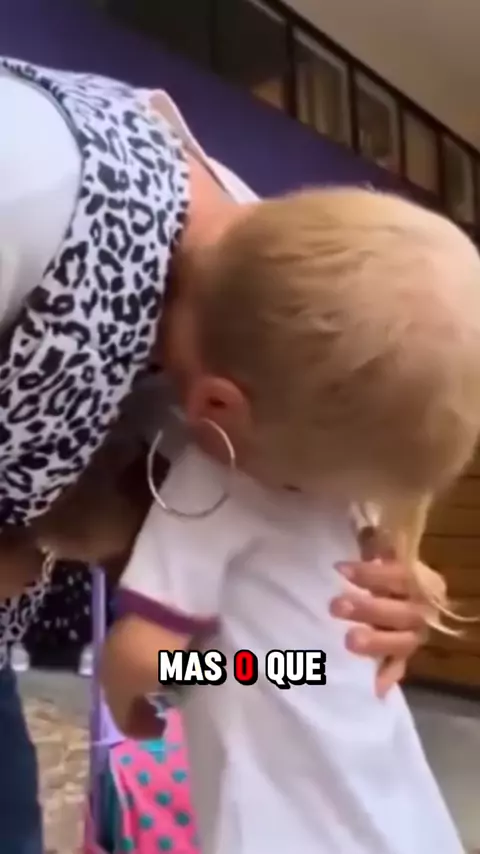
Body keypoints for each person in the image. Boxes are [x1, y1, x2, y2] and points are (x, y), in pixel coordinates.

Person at [0, 59, 440, 853]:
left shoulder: (242, 440)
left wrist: (148, 686)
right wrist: (267, 668)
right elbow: (283, 664)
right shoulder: (28, 185)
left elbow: (146, 657)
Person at [100, 188, 480, 853]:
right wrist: (285, 668)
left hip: (300, 817)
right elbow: (150, 653)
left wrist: (178, 690)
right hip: (368, 808)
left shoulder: (241, 475)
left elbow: (141, 659)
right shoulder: (234, 478)